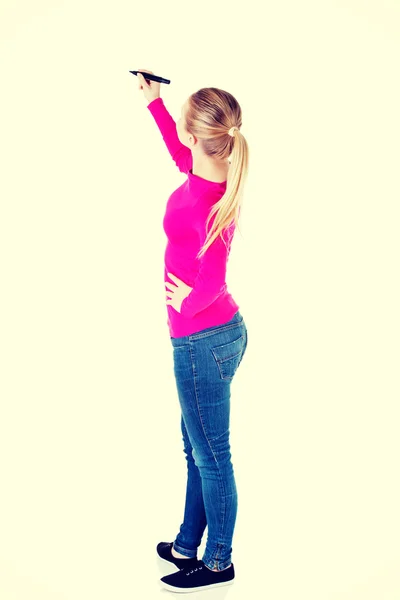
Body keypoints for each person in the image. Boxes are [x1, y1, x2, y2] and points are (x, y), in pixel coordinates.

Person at [137, 69, 249, 592]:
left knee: (211, 456)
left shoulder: (210, 198)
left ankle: (218, 561)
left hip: (201, 342)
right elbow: (178, 155)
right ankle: (187, 543)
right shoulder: (206, 171)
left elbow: (217, 270)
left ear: (196, 134)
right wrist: (155, 104)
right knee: (198, 449)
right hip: (217, 335)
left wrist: (191, 298)